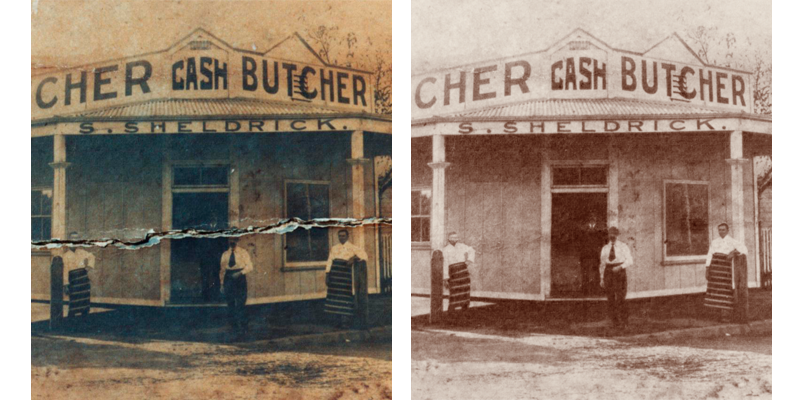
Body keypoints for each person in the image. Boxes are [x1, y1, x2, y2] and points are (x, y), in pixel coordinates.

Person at [704, 223, 748, 320]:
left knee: (725, 291)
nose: (721, 232)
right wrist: (707, 268)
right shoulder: (714, 242)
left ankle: (726, 315)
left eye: (723, 230)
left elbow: (744, 250)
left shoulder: (733, 241)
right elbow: (709, 255)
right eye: (719, 230)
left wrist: (733, 252)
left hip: (725, 270)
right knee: (716, 290)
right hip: (715, 269)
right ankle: (717, 315)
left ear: (727, 230)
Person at [324, 230, 368, 326]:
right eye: (340, 236)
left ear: (347, 236)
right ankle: (337, 321)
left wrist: (353, 258)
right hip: (335, 276)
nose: (341, 238)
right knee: (335, 298)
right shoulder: (334, 248)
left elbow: (364, 255)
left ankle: (345, 322)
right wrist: (327, 274)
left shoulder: (353, 248)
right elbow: (329, 261)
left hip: (345, 277)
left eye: (343, 236)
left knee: (345, 298)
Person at [599, 227, 633, 331]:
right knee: (610, 298)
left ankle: (624, 322)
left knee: (621, 297)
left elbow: (630, 260)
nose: (612, 236)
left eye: (614, 234)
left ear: (618, 235)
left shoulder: (623, 246)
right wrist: (602, 278)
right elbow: (602, 264)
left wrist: (620, 267)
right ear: (608, 235)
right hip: (608, 272)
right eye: (610, 234)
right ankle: (615, 322)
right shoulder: (605, 248)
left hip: (619, 272)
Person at [219, 237, 253, 333]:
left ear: (238, 240)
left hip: (240, 278)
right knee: (230, 302)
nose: (232, 241)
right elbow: (222, 270)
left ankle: (243, 325)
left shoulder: (243, 253)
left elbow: (250, 266)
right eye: (230, 239)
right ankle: (234, 326)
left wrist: (240, 273)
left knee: (241, 301)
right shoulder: (225, 254)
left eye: (234, 239)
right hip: (228, 278)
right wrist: (222, 284)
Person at [62, 231, 95, 318]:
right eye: (72, 238)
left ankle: (85, 318)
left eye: (76, 238)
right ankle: (71, 320)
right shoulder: (65, 256)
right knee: (74, 300)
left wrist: (89, 267)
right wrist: (66, 284)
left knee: (84, 299)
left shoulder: (82, 252)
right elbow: (65, 271)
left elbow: (92, 257)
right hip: (73, 280)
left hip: (83, 278)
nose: (74, 240)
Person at [442, 232, 476, 312]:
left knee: (464, 290)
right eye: (452, 238)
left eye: (456, 237)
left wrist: (469, 261)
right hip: (453, 272)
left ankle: (465, 309)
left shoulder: (462, 246)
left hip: (463, 271)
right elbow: (445, 263)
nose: (454, 239)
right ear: (448, 239)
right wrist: (446, 277)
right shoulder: (445, 249)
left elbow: (472, 250)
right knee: (454, 291)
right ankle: (452, 310)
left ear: (458, 238)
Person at [579, 213, 606, 296]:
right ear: (588, 220)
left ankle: (596, 290)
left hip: (595, 255)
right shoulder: (583, 229)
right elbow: (581, 243)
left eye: (593, 218)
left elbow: (602, 242)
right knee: (585, 272)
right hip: (585, 255)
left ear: (595, 220)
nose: (592, 219)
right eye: (590, 218)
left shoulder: (600, 230)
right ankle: (585, 290)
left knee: (596, 272)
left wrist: (600, 253)